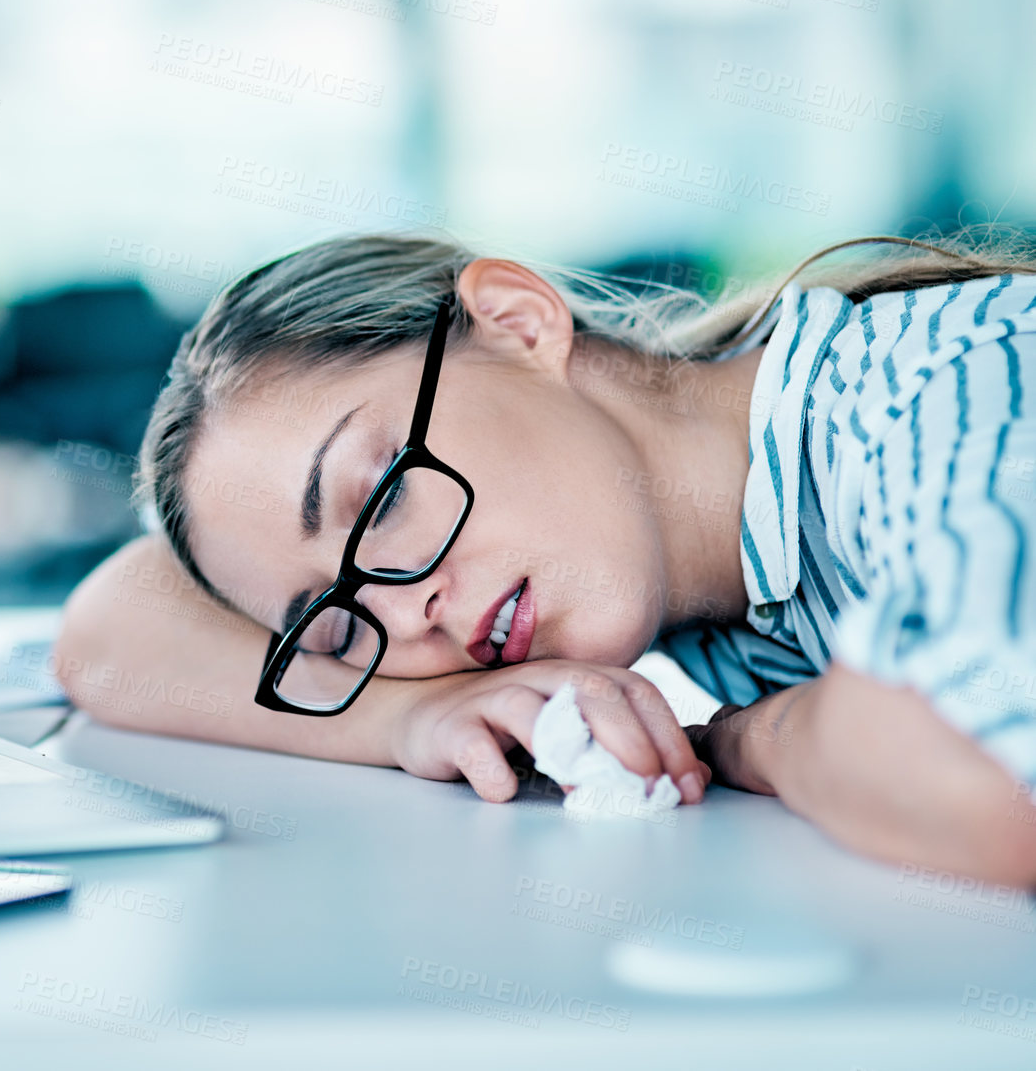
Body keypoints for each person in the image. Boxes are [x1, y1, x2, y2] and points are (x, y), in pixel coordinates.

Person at [53, 232, 1036, 884]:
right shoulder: (736, 583)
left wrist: (750, 740)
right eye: (341, 627)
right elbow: (113, 627)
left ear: (520, 321)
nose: (407, 616)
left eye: (386, 494)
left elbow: (986, 777)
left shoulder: (936, 390)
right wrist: (411, 714)